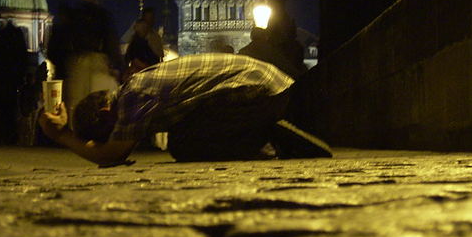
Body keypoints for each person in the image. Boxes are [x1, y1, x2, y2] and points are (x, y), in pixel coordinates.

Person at [38, 53, 332, 165]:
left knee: (185, 146)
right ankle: (263, 128)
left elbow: (111, 155)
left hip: (259, 93)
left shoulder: (130, 98)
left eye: (105, 133)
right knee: (184, 133)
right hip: (269, 84)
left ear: (105, 114)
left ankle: (270, 143)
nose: (112, 137)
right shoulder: (137, 86)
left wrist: (62, 136)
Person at [46, 0, 124, 130]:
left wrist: (60, 63)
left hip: (76, 61)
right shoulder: (103, 16)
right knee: (97, 99)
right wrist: (118, 65)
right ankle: (94, 131)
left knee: (76, 100)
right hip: (97, 61)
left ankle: (74, 131)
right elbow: (111, 42)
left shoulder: (74, 15)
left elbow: (59, 40)